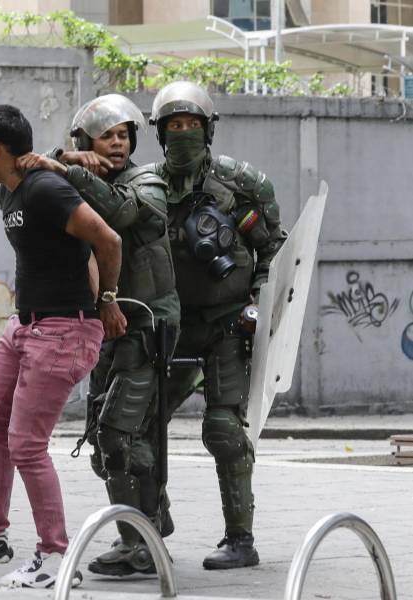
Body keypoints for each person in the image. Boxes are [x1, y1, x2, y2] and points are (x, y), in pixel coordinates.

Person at [0, 104, 123, 588]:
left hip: (63, 331)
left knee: (27, 445)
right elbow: (73, 247)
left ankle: (56, 556)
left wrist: (107, 303)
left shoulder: (44, 190)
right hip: (26, 327)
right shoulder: (10, 193)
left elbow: (107, 240)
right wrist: (61, 157)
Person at [15, 93, 180, 576]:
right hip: (105, 328)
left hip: (148, 328)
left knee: (120, 435)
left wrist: (72, 169)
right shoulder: (73, 176)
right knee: (107, 442)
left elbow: (124, 215)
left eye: (124, 134)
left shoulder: (146, 182)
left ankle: (142, 543)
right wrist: (64, 158)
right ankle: (148, 525)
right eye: (106, 135)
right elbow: (27, 180)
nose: (117, 143)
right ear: (85, 140)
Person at [143, 81, 288, 570]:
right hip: (170, 327)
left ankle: (240, 539)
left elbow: (274, 250)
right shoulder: (147, 187)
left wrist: (259, 307)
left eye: (192, 125)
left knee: (224, 429)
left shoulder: (240, 186)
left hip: (226, 325)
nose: (184, 134)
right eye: (174, 126)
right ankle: (147, 521)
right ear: (160, 133)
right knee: (139, 427)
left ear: (208, 129)